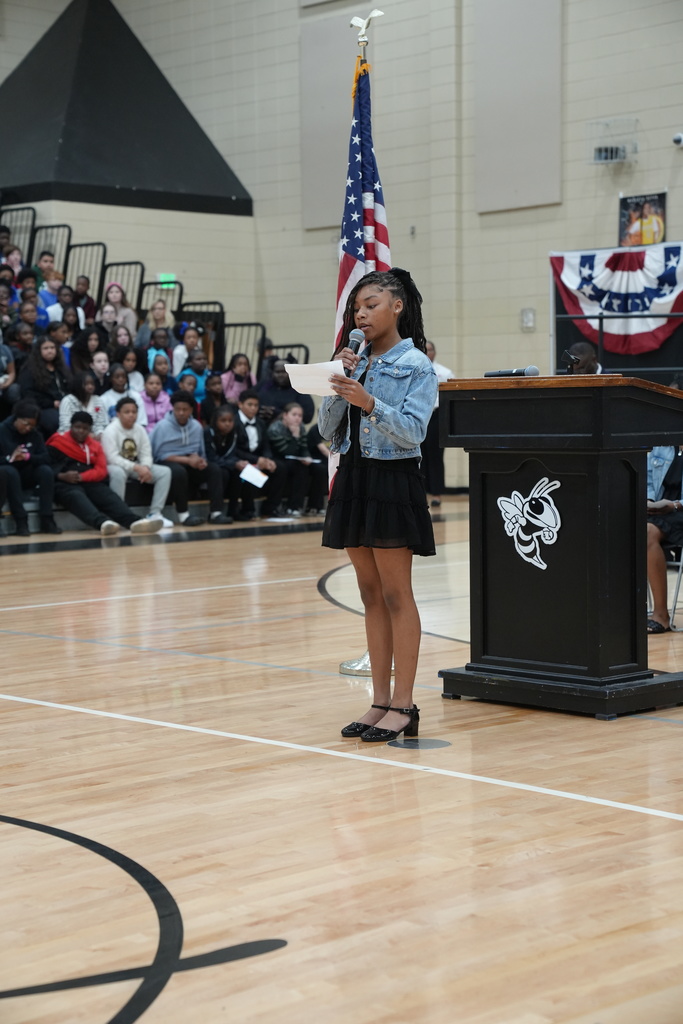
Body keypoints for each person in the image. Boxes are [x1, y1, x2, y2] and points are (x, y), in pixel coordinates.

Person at [319, 268, 437, 742]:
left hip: (392, 480)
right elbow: (329, 430)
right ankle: (380, 700)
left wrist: (368, 402)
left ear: (397, 307)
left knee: (395, 594)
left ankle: (405, 704)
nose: (361, 313)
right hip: (354, 476)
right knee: (368, 594)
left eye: (370, 304)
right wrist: (341, 379)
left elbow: (412, 431)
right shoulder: (357, 361)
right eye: (356, 308)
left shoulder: (417, 365)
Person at [47, 411, 162, 536]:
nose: (81, 431)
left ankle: (135, 522)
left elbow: (101, 471)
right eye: (77, 427)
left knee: (107, 495)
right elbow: (45, 468)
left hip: (87, 480)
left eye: (85, 429)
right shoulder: (57, 442)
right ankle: (102, 523)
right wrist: (60, 476)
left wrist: (82, 477)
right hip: (63, 482)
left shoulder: (95, 446)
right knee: (75, 495)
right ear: (71, 427)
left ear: (90, 430)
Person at [151, 391, 229, 525]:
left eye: (185, 409)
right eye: (177, 409)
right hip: (168, 462)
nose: (181, 413)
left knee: (215, 469)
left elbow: (200, 452)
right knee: (179, 472)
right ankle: (183, 515)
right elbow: (159, 456)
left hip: (190, 461)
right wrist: (187, 460)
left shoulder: (196, 427)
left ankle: (216, 513)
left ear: (191, 410)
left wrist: (200, 461)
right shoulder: (162, 426)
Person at [101, 397, 173, 526]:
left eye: (134, 412)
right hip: (114, 466)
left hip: (135, 467)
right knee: (118, 473)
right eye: (127, 412)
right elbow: (112, 458)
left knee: (165, 472)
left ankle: (155, 513)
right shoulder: (110, 430)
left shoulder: (140, 429)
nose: (131, 415)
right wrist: (136, 467)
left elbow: (146, 453)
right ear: (118, 414)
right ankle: (119, 514)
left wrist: (145, 467)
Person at [0, 400, 62, 535]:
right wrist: (10, 458)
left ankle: (47, 518)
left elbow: (46, 458)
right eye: (26, 424)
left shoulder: (35, 434)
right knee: (9, 472)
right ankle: (21, 521)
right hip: (7, 473)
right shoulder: (2, 431)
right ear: (17, 418)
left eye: (32, 426)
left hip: (26, 473)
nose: (28, 428)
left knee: (45, 471)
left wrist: (29, 457)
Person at [234, 389, 287, 519]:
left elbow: (266, 445)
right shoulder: (233, 421)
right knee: (250, 471)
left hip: (258, 459)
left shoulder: (260, 423)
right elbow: (235, 449)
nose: (253, 408)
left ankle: (270, 507)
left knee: (280, 468)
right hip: (241, 459)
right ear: (240, 404)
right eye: (249, 405)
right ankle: (248, 510)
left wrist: (267, 460)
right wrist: (257, 460)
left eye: (256, 405)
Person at [646, 446, 683, 634]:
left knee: (647, 532)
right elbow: (647, 479)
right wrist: (650, 501)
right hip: (660, 512)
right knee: (619, 523)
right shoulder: (663, 444)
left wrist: (676, 505)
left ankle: (661, 615)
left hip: (680, 512)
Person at [267, 402, 327, 516]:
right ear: (285, 415)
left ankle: (314, 506)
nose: (297, 418)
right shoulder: (275, 428)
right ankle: (293, 507)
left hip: (296, 459)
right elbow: (286, 451)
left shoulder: (301, 427)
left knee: (320, 469)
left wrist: (307, 457)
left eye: (300, 416)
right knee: (300, 469)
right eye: (294, 415)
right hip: (280, 458)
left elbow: (303, 448)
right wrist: (295, 436)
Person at [421, 340, 454, 507]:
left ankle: (436, 494)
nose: (427, 353)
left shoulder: (445, 372)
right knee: (418, 457)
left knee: (435, 457)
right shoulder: (413, 370)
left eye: (430, 350)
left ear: (435, 352)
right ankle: (420, 493)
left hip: (436, 416)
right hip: (418, 416)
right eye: (424, 350)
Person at [18, 334, 71, 437]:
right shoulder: (30, 370)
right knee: (56, 422)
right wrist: (52, 403)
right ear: (39, 351)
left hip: (66, 404)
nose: (50, 351)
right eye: (45, 348)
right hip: (44, 408)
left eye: (52, 348)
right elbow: (28, 394)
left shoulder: (61, 367)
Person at [203, 405, 242, 522]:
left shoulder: (233, 434)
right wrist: (233, 463)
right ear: (215, 421)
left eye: (230, 421)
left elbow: (231, 454)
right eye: (223, 421)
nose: (227, 424)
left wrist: (237, 463)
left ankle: (233, 510)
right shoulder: (207, 432)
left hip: (224, 464)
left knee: (239, 472)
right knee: (222, 472)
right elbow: (210, 457)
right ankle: (215, 513)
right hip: (207, 465)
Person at [256, 359, 315, 425]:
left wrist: (279, 414)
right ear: (272, 373)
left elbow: (308, 416)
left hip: (286, 429)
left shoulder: (298, 389)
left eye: (284, 372)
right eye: (277, 372)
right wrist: (259, 410)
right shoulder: (264, 385)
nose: (281, 375)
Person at [59, 371, 109, 439]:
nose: (90, 387)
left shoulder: (98, 400)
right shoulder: (67, 401)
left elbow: (101, 424)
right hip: (70, 438)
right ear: (78, 385)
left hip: (94, 439)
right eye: (86, 384)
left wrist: (99, 434)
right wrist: (87, 436)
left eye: (92, 384)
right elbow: (65, 426)